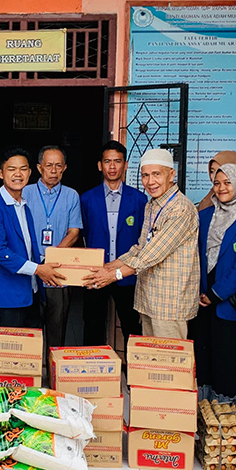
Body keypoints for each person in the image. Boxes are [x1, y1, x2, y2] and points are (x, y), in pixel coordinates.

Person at [85, 149, 199, 341]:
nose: (150, 181)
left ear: (172, 174)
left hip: (170, 303)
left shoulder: (180, 209)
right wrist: (108, 266)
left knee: (168, 364)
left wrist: (114, 275)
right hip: (149, 299)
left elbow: (151, 254)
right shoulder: (152, 205)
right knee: (150, 363)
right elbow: (140, 248)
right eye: (145, 175)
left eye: (156, 174)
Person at [0, 146, 66, 328]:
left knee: (29, 353)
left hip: (30, 292)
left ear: (31, 172)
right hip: (8, 297)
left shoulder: (23, 206)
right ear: (1, 173)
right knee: (11, 354)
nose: (18, 174)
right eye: (12, 169)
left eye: (23, 169)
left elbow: (27, 248)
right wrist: (38, 270)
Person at [195, 163, 236, 397]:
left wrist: (216, 294)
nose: (221, 188)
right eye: (217, 183)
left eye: (227, 183)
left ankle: (228, 415)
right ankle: (205, 413)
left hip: (228, 300)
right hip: (202, 298)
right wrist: (202, 292)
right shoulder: (204, 215)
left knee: (228, 357)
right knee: (204, 355)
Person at [79, 141, 147, 348]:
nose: (112, 167)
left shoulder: (139, 199)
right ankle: (91, 367)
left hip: (126, 273)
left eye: (117, 161)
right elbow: (84, 234)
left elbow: (143, 239)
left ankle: (134, 372)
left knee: (131, 325)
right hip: (96, 272)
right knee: (92, 324)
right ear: (100, 165)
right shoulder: (87, 199)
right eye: (107, 161)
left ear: (125, 165)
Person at [25, 145, 82, 350]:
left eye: (58, 166)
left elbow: (74, 232)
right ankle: (33, 378)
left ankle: (54, 377)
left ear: (65, 168)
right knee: (30, 330)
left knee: (57, 329)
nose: (54, 170)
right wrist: (39, 263)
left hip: (59, 271)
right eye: (49, 166)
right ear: (39, 168)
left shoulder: (71, 195)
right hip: (31, 269)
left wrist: (51, 257)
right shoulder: (25, 192)